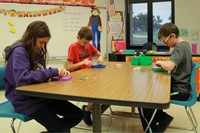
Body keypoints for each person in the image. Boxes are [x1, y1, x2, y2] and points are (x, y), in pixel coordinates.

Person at [3, 21, 83, 133]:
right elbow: (22, 78)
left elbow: (38, 72)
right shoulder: (19, 52)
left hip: (41, 96)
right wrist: (52, 72)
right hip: (25, 100)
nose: (42, 46)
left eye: (44, 43)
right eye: (41, 42)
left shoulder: (36, 50)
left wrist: (53, 75)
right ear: (31, 38)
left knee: (78, 115)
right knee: (63, 130)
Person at [138, 23, 192, 132]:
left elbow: (170, 66)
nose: (166, 44)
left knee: (142, 101)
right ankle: (163, 119)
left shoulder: (180, 48)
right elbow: (173, 64)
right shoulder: (185, 45)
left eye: (165, 41)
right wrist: (165, 63)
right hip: (180, 88)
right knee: (149, 95)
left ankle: (154, 129)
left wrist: (159, 62)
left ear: (172, 36)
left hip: (180, 91)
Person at [66, 26, 105, 126]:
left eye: (88, 43)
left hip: (90, 75)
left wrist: (100, 57)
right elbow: (69, 68)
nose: (86, 45)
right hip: (78, 78)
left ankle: (89, 109)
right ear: (78, 38)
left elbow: (101, 54)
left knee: (103, 89)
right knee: (95, 94)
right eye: (84, 42)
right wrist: (83, 62)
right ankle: (88, 110)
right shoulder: (73, 47)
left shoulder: (89, 45)